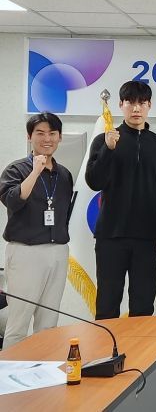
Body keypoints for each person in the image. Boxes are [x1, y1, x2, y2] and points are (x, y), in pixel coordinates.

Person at [85, 81, 156, 319]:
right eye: (130, 103)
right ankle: (106, 345)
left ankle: (141, 346)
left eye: (142, 103)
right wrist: (108, 150)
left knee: (143, 303)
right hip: (111, 236)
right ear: (121, 105)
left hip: (148, 237)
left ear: (149, 106)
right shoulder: (104, 140)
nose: (136, 108)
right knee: (107, 301)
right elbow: (94, 182)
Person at [0, 113, 74, 348]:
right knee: (18, 322)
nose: (47, 139)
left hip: (58, 251)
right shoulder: (16, 169)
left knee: (48, 323)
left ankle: (44, 368)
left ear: (60, 137)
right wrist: (35, 172)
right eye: (40, 133)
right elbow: (13, 201)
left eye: (52, 133)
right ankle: (10, 371)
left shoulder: (64, 174)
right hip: (26, 252)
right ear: (29, 136)